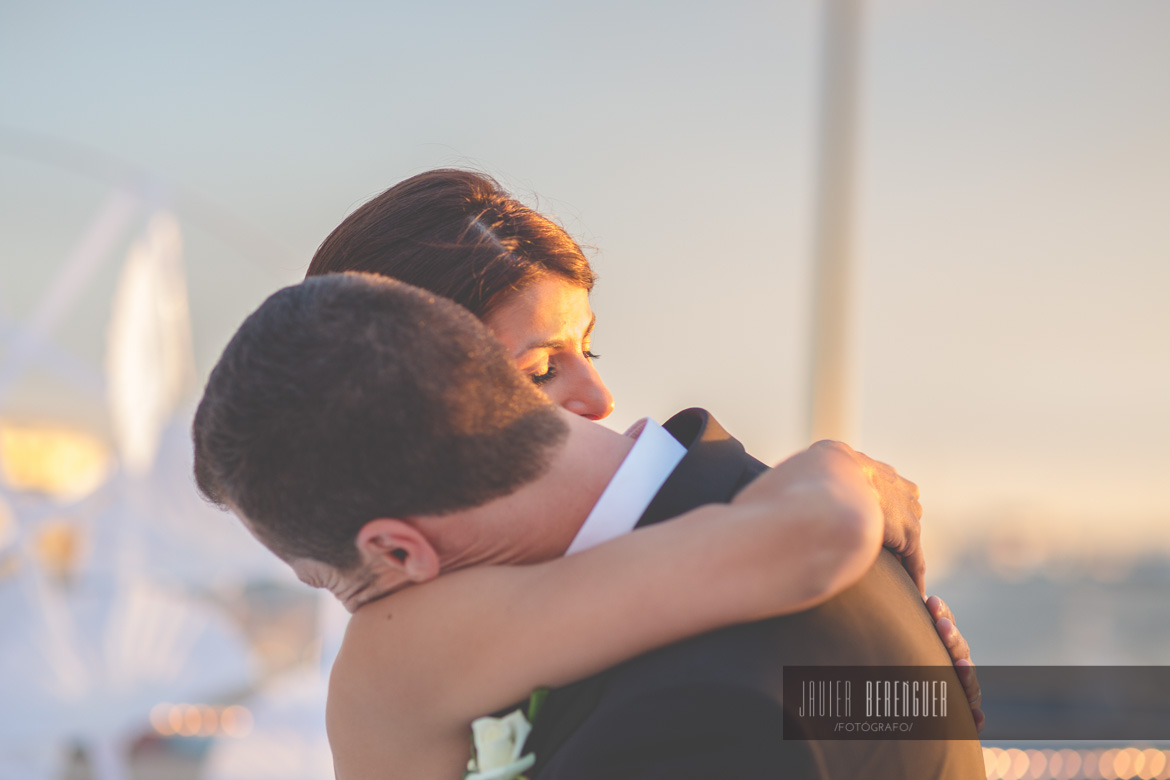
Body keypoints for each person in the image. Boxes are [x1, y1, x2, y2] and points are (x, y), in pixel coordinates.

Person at [193, 273, 985, 780]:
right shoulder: (754, 497)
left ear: (397, 548)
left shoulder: (697, 714)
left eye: (332, 583)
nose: (366, 621)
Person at [304, 166, 978, 694]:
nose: (600, 398)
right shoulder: (411, 652)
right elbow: (814, 534)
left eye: (587, 352)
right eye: (541, 370)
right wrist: (842, 470)